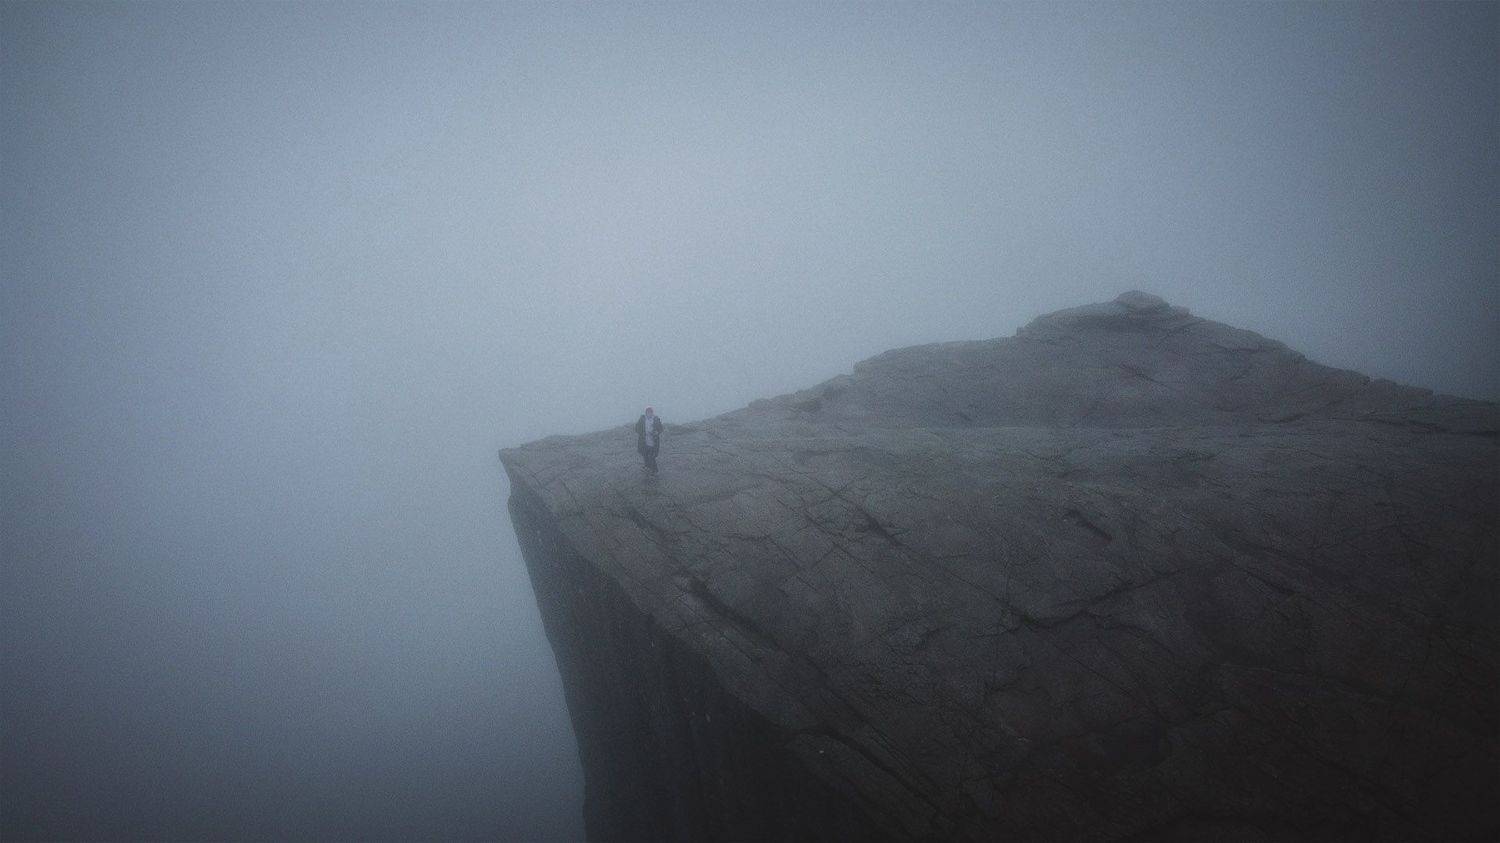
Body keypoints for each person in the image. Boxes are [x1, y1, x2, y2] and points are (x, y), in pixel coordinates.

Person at [635, 406, 664, 474]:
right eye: (648, 412)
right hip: (644, 442)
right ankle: (647, 467)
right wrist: (643, 433)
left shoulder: (656, 420)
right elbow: (636, 428)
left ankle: (655, 471)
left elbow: (661, 429)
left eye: (650, 412)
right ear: (646, 413)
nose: (649, 414)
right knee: (645, 455)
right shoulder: (642, 419)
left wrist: (657, 432)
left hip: (653, 442)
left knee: (652, 457)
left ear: (652, 413)